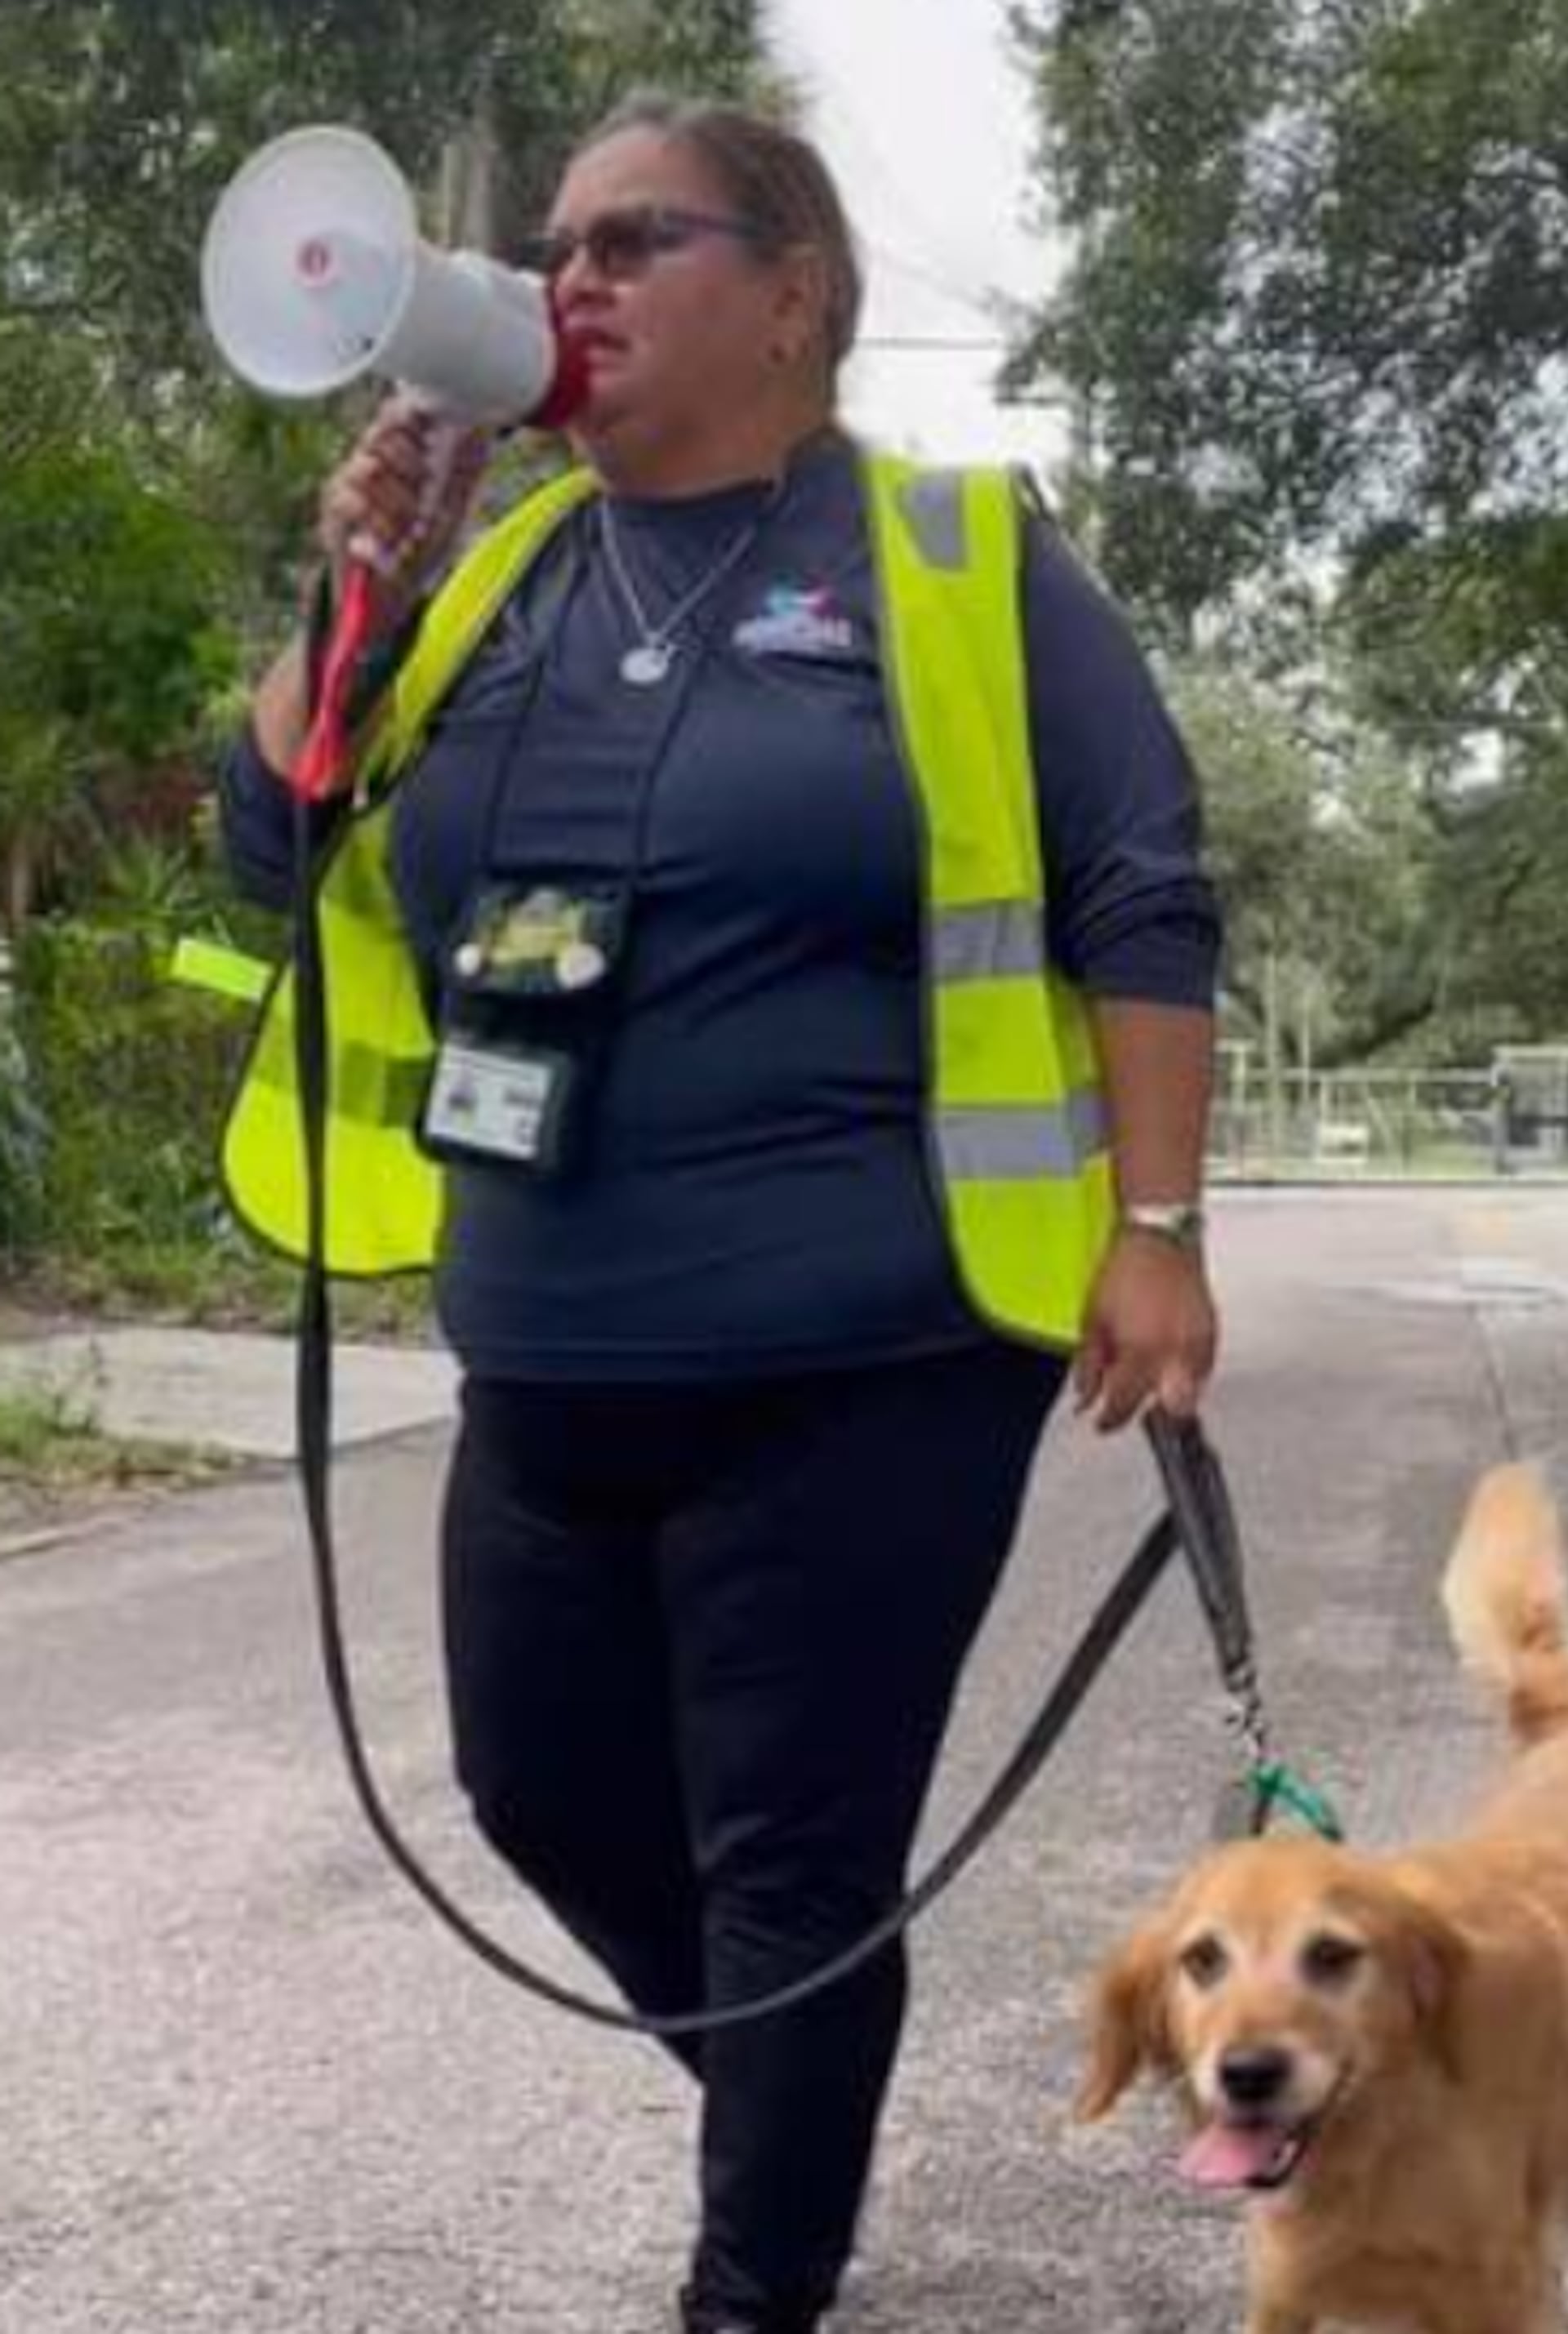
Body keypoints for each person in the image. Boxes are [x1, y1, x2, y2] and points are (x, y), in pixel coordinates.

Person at [216, 95, 1220, 2334]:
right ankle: (795, 2068)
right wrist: (361, 585)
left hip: (867, 1355)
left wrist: (1156, 1220)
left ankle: (754, 2276)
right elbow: (271, 854)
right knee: (536, 1786)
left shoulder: (951, 556)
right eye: (554, 247)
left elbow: (1143, 880)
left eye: (630, 240)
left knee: (792, 1856)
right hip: (545, 1343)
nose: (567, 279)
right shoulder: (491, 579)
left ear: (796, 294)